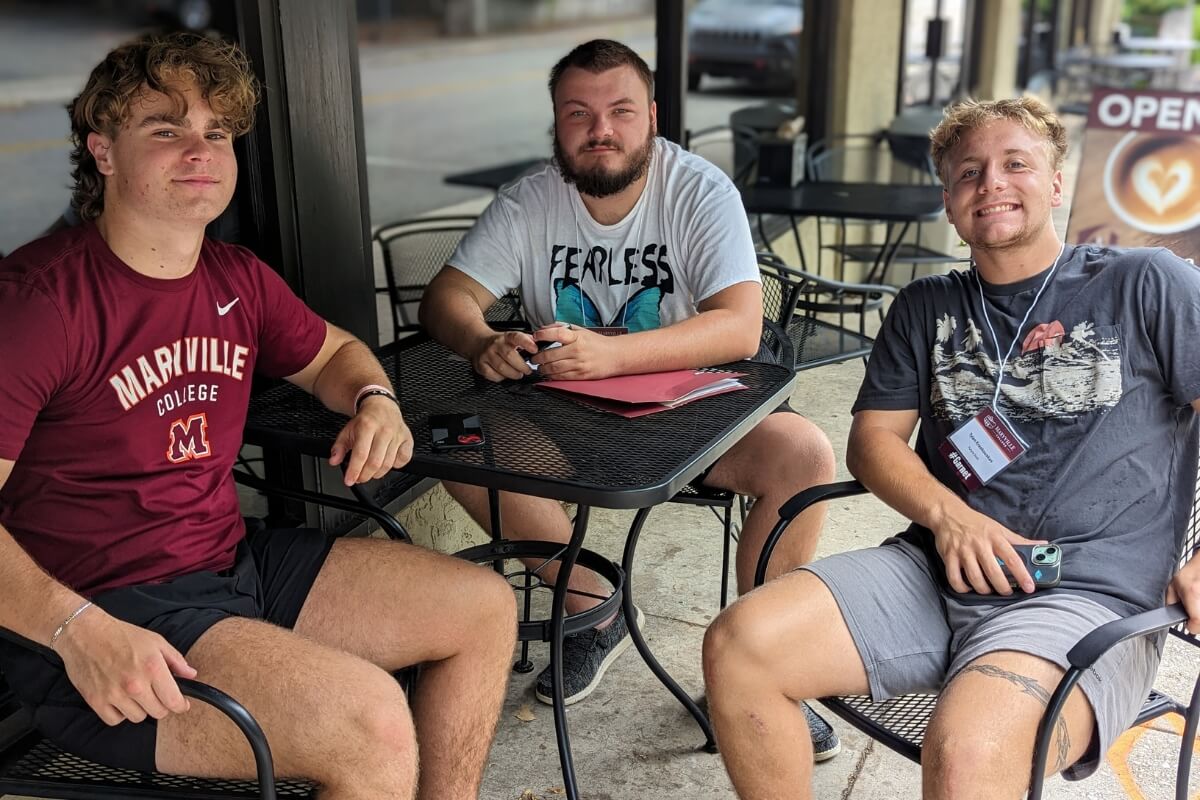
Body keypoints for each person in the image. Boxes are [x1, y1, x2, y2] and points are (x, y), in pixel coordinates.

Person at [0, 32, 517, 800]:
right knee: (369, 722)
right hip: (103, 624)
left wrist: (375, 400)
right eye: (166, 128)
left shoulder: (234, 278)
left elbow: (336, 352)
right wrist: (75, 630)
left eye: (216, 132)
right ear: (103, 152)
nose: (199, 149)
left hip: (228, 565)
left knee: (485, 606)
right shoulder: (41, 301)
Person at [701, 95, 1200, 798]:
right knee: (739, 647)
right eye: (969, 173)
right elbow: (873, 443)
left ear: (1057, 183)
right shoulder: (924, 307)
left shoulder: (1144, 283)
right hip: (934, 573)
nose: (991, 183)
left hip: (1085, 598)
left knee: (967, 752)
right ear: (948, 200)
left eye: (1015, 164)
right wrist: (949, 517)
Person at [418, 38, 839, 757]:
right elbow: (447, 298)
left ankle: (763, 667)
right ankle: (593, 608)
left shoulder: (699, 189)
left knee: (804, 455)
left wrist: (611, 354)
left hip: (691, 414)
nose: (600, 129)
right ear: (556, 124)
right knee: (447, 441)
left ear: (650, 116)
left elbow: (738, 325)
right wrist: (479, 340)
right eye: (578, 113)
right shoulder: (529, 199)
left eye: (618, 110)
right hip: (563, 418)